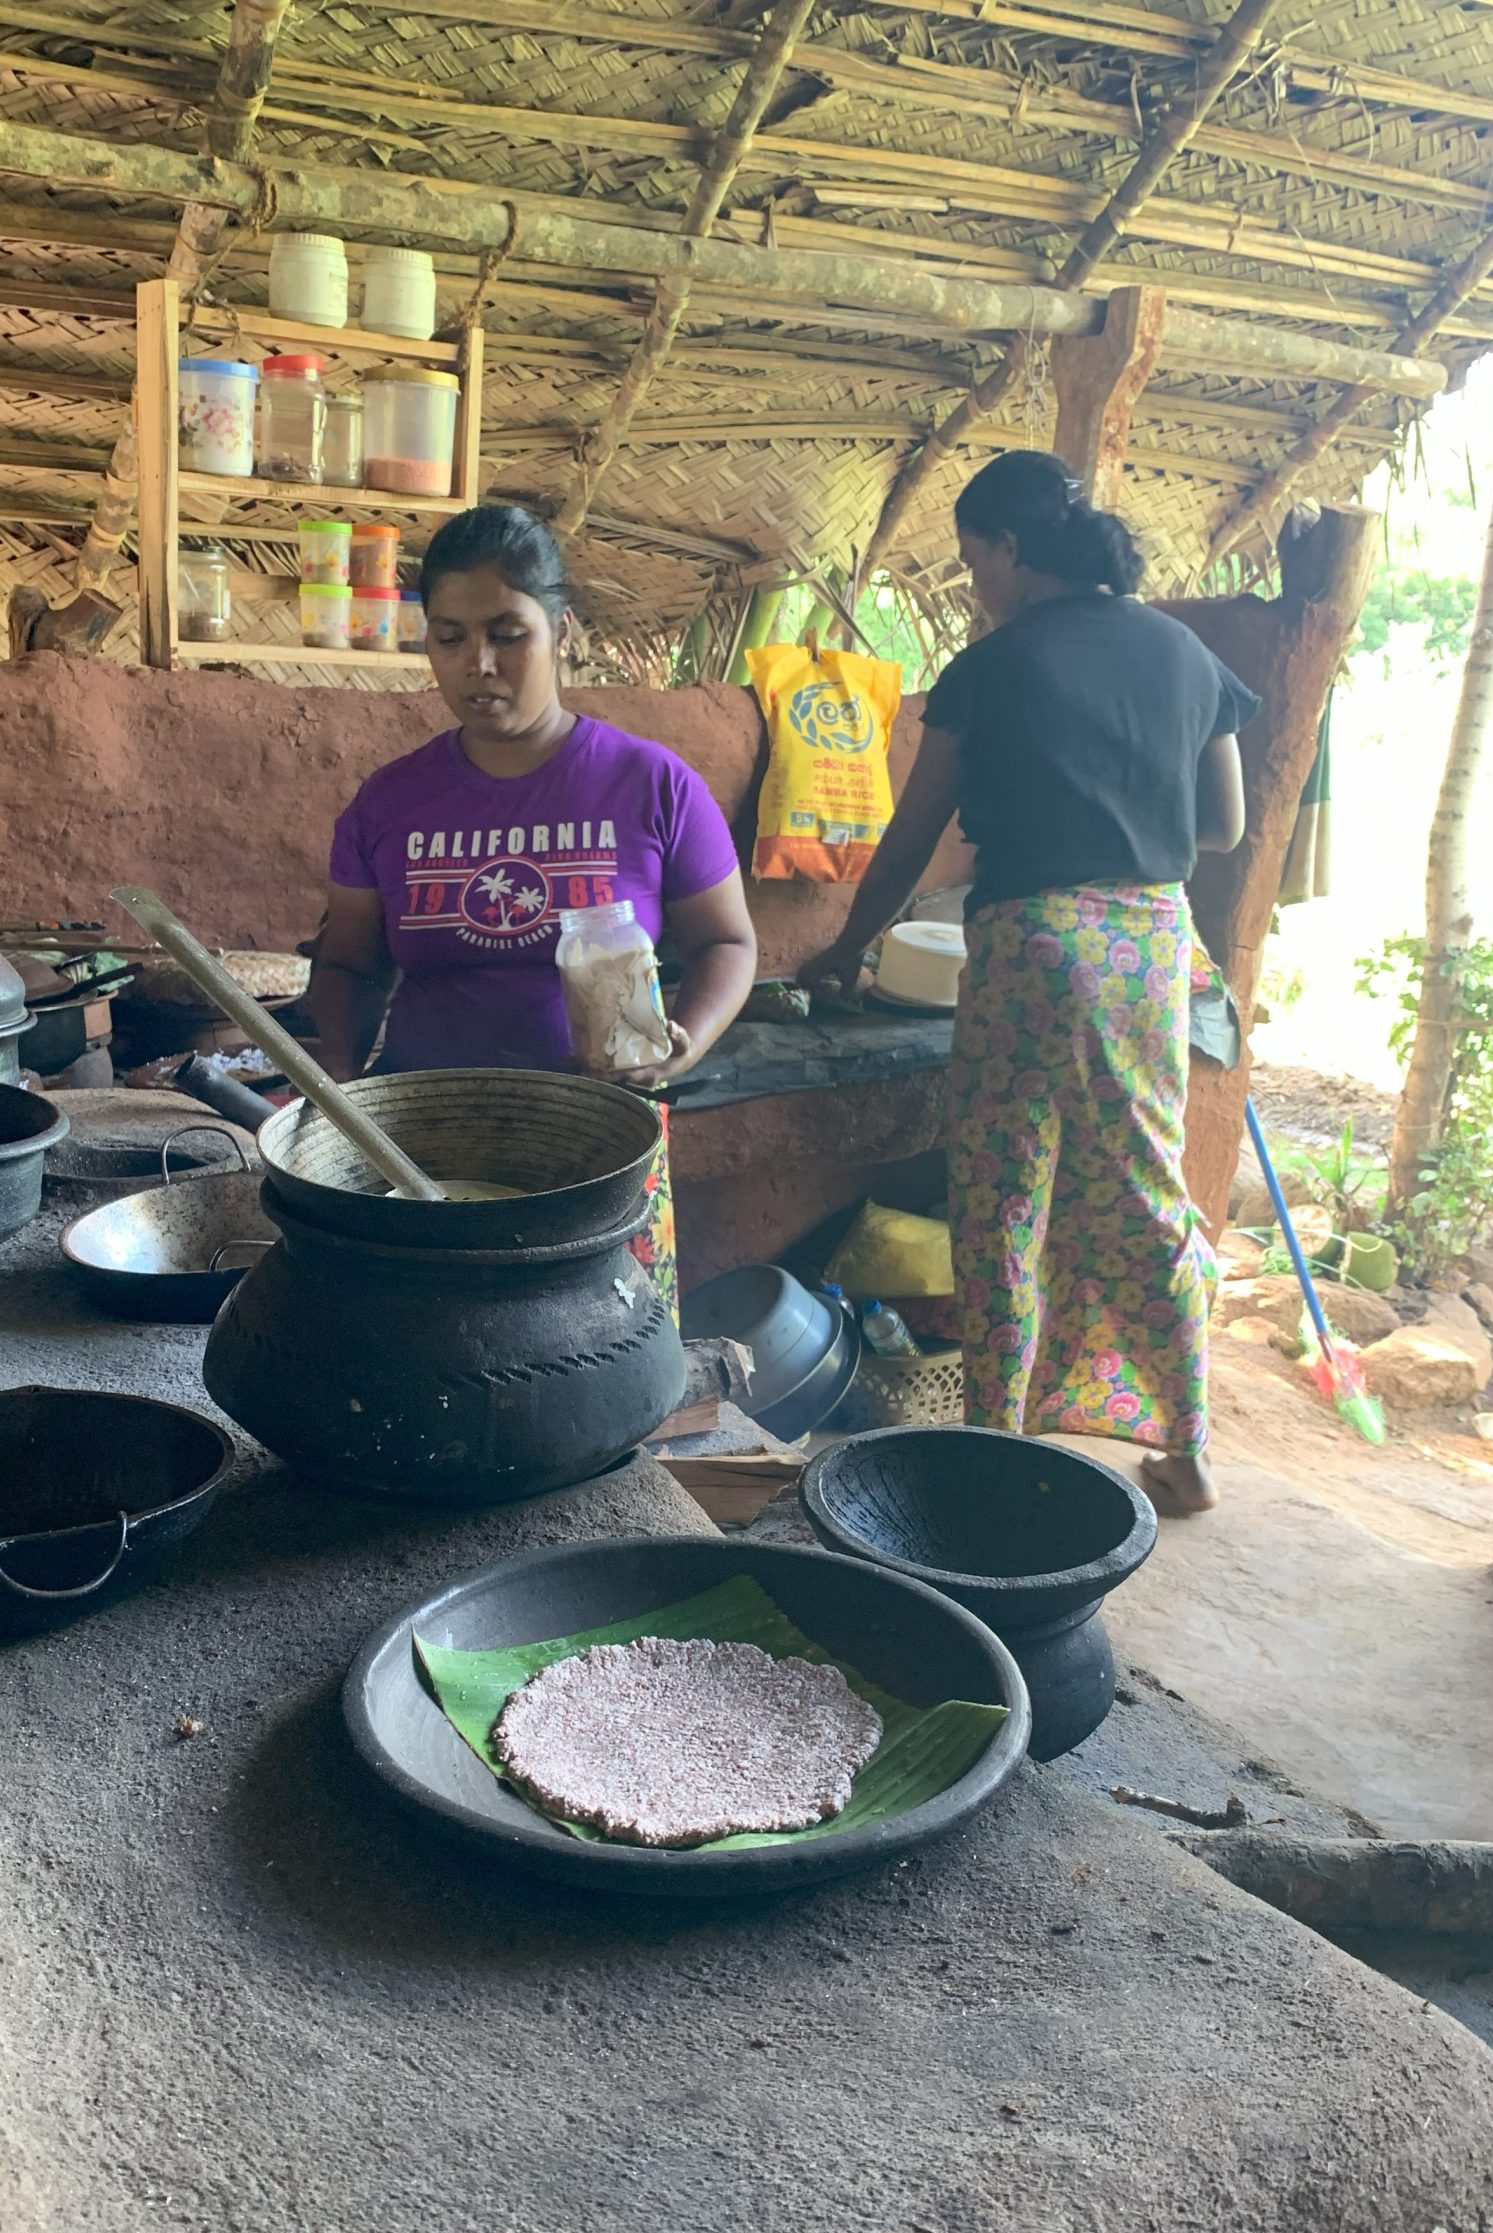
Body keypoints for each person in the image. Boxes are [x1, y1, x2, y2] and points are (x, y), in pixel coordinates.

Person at [802, 449, 1258, 1515]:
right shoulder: (1186, 654)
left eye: (975, 563)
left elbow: (911, 839)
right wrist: (1127, 829)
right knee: (1145, 1184)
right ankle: (1186, 1445)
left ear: (1010, 548)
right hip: (1150, 944)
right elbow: (1225, 826)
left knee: (1005, 1190)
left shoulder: (994, 666)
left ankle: (995, 1442)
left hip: (1036, 949)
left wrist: (843, 947)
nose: (977, 586)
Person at [311, 503, 757, 1090]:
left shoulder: (653, 784)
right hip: (417, 1133)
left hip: (603, 1129)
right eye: (450, 638)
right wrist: (335, 1083)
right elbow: (348, 965)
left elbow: (726, 942)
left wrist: (685, 1044)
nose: (479, 663)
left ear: (562, 632)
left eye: (509, 635)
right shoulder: (390, 800)